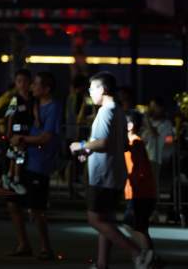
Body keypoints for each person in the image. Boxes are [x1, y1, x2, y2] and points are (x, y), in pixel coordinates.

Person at [69, 72, 154, 269]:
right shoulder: (119, 112)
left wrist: (82, 145)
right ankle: (101, 263)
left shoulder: (106, 111)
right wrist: (90, 150)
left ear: (103, 89)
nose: (89, 92)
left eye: (92, 88)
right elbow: (123, 145)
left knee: (94, 219)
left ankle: (138, 253)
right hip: (115, 174)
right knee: (106, 219)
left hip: (102, 174)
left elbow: (104, 142)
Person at [6, 72, 61, 260]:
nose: (30, 86)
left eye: (35, 84)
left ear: (46, 89)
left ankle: (46, 247)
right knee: (13, 203)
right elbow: (10, 117)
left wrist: (22, 138)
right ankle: (24, 244)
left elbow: (46, 137)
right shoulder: (21, 101)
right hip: (24, 156)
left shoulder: (52, 107)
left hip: (39, 162)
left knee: (37, 208)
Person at [123, 110, 157, 256]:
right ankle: (150, 255)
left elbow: (140, 169)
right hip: (141, 191)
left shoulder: (135, 142)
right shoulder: (133, 142)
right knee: (140, 227)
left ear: (130, 125)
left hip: (139, 192)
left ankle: (146, 255)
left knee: (131, 225)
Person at [2, 69, 34, 195]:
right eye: (19, 81)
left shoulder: (31, 98)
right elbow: (10, 115)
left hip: (26, 131)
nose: (22, 84)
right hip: (16, 132)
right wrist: (9, 131)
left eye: (25, 81)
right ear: (15, 83)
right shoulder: (15, 99)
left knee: (16, 155)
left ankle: (9, 177)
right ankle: (15, 179)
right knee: (17, 155)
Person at [142, 96, 173, 220]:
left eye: (154, 106)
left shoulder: (166, 124)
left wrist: (146, 120)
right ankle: (147, 210)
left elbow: (155, 135)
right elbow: (144, 139)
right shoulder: (149, 122)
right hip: (144, 157)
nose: (151, 109)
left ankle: (153, 211)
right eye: (150, 106)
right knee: (144, 185)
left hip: (154, 158)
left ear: (161, 108)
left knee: (152, 185)